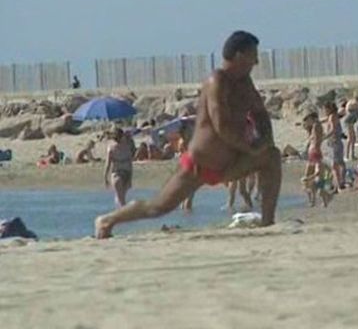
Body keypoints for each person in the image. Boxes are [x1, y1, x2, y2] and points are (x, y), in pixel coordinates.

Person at [95, 31, 281, 238]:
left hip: (231, 164)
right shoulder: (216, 81)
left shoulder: (245, 84)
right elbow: (221, 125)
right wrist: (250, 147)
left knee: (272, 156)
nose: (256, 61)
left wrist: (264, 139)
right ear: (239, 56)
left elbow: (260, 113)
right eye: (253, 55)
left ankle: (267, 221)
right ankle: (107, 220)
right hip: (200, 165)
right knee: (157, 207)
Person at [104, 128, 134, 207]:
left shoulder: (127, 147)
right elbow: (108, 164)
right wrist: (105, 178)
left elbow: (130, 163)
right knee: (121, 199)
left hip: (125, 174)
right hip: (117, 174)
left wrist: (130, 179)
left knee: (120, 197)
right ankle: (125, 215)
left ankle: (120, 212)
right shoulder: (112, 148)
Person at [322, 101, 346, 192]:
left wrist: (324, 137)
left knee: (335, 164)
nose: (324, 111)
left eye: (325, 109)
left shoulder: (332, 117)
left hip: (334, 141)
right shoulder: (333, 116)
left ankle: (338, 185)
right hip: (337, 141)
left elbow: (332, 129)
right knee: (340, 163)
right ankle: (341, 182)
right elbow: (325, 119)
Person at [344, 92, 358, 160]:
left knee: (353, 138)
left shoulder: (352, 103)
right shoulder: (355, 103)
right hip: (349, 122)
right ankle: (347, 155)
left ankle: (352, 154)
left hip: (351, 122)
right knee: (350, 138)